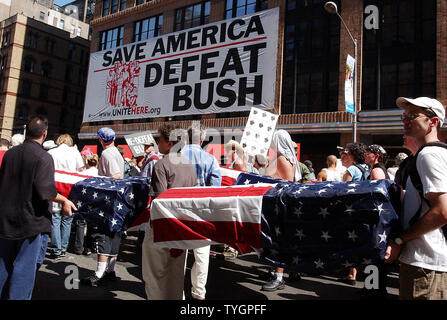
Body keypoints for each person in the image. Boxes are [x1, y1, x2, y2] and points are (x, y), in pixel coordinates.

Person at [0, 115, 76, 300]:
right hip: (30, 222)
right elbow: (46, 191)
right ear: (45, 133)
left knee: (3, 266)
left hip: (5, 219)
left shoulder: (10, 153)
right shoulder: (43, 157)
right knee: (24, 270)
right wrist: (64, 200)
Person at [384, 96, 447, 300]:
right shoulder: (430, 154)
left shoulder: (429, 155)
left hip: (425, 264)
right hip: (427, 263)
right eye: (404, 116)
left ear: (433, 122)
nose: (405, 120)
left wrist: (400, 240)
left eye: (413, 115)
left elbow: (442, 211)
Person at [141, 124, 197, 300]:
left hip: (162, 229)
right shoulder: (190, 166)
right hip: (182, 229)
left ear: (170, 143)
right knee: (176, 278)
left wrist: (170, 236)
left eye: (160, 140)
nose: (158, 143)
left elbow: (161, 203)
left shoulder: (161, 165)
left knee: (154, 278)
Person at [180, 125, 222, 300]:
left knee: (178, 251)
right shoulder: (210, 159)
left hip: (179, 209)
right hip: (201, 211)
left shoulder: (177, 157)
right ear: (202, 140)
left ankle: (176, 291)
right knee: (202, 254)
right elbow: (216, 189)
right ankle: (198, 293)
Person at [80, 127, 125, 287]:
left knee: (103, 235)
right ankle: (110, 271)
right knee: (114, 236)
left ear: (100, 140)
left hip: (108, 201)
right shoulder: (117, 153)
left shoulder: (107, 153)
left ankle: (99, 274)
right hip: (117, 201)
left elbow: (116, 175)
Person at [262, 130, 302, 291]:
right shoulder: (289, 158)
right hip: (286, 204)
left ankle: (278, 277)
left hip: (281, 204)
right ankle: (291, 271)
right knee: (285, 239)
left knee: (279, 240)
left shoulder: (281, 158)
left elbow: (275, 179)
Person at [47, 134, 85, 259]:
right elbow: (81, 169)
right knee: (67, 219)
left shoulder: (52, 152)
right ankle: (63, 247)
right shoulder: (75, 153)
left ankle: (56, 248)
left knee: (55, 218)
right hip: (71, 190)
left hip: (56, 189)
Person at [339, 142, 369, 285]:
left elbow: (345, 189)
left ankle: (350, 273)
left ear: (352, 155)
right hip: (364, 207)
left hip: (351, 208)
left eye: (346, 153)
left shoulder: (351, 169)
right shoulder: (367, 167)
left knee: (350, 241)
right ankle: (355, 274)